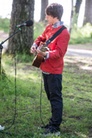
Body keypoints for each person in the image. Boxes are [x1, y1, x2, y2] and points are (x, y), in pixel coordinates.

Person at [30, 3, 70, 136]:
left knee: (55, 98)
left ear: (55, 16)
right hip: (45, 68)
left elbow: (59, 53)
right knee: (50, 96)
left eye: (48, 15)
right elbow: (41, 38)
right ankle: (52, 122)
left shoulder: (64, 33)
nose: (46, 17)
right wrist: (35, 44)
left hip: (54, 71)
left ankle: (55, 127)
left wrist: (45, 53)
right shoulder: (49, 27)